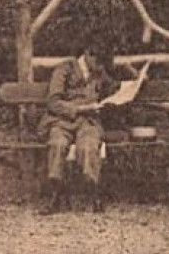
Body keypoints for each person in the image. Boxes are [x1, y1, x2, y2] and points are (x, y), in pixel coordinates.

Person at [39, 38, 119, 214]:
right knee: (57, 144)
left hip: (88, 122)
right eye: (98, 63)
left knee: (89, 146)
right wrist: (81, 108)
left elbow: (115, 88)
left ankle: (94, 193)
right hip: (62, 120)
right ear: (88, 54)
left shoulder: (99, 71)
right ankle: (56, 194)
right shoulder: (64, 69)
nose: (100, 68)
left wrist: (135, 83)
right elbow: (53, 102)